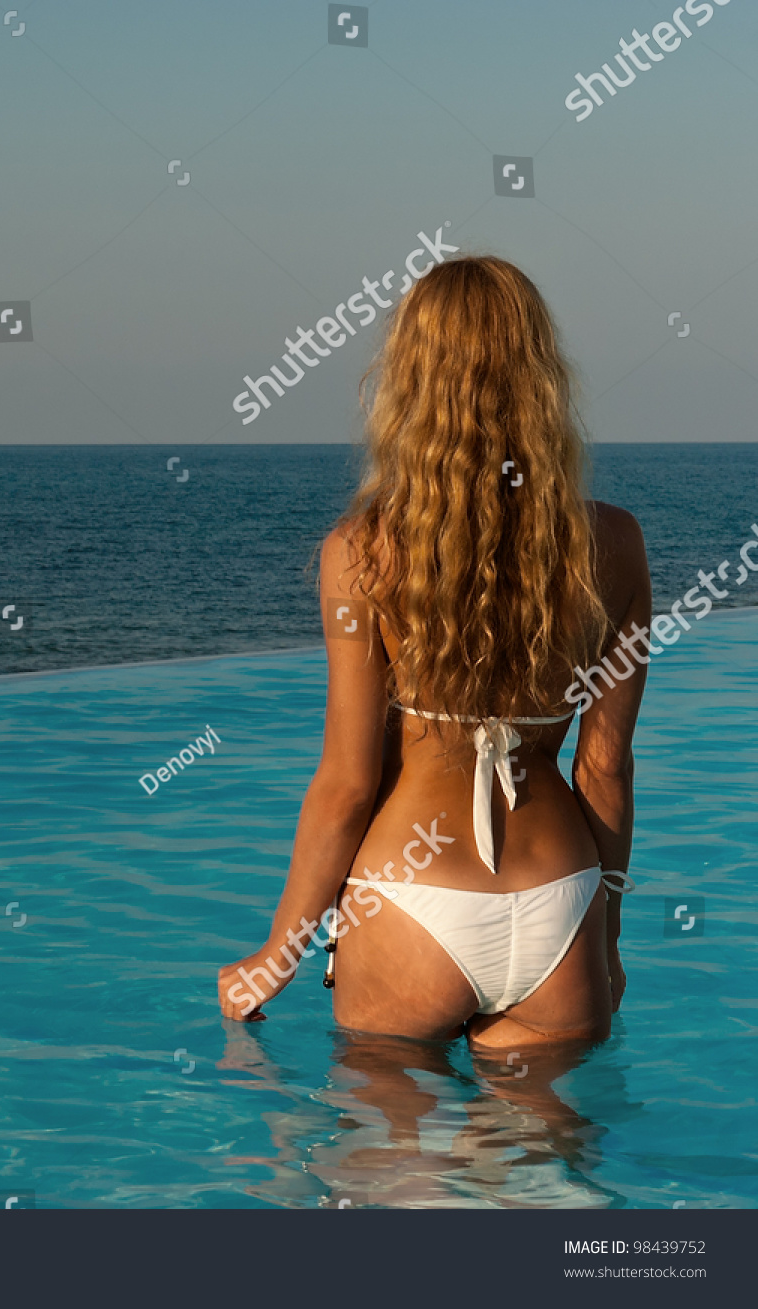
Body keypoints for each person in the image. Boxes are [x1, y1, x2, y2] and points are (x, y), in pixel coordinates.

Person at [219, 255, 649, 1048]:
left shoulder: (362, 553)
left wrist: (276, 958)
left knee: (391, 1168)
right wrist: (607, 935)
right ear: (541, 375)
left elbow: (348, 784)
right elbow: (604, 770)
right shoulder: (614, 544)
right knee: (544, 1173)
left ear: (410, 381)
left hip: (409, 903)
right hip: (560, 899)